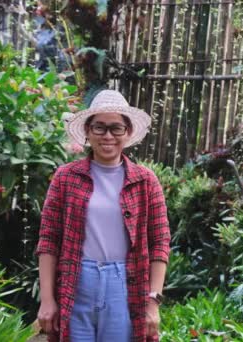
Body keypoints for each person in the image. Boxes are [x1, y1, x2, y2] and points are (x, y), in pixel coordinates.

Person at [35, 89, 171, 342]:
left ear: (128, 133)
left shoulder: (146, 181)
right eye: (99, 128)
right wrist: (47, 299)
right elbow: (48, 240)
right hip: (77, 283)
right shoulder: (66, 178)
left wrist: (153, 303)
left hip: (124, 285)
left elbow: (160, 243)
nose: (108, 136)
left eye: (116, 128)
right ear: (87, 131)